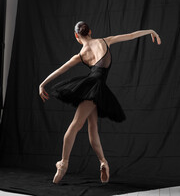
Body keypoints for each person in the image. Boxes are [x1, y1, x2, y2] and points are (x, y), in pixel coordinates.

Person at [39, 21, 161, 184]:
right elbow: (130, 36)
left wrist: (42, 84)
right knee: (89, 127)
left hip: (92, 87)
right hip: (98, 87)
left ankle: (66, 164)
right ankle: (91, 162)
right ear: (90, 31)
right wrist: (150, 31)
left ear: (77, 36)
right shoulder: (105, 41)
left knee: (79, 126)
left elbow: (61, 69)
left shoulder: (81, 55)